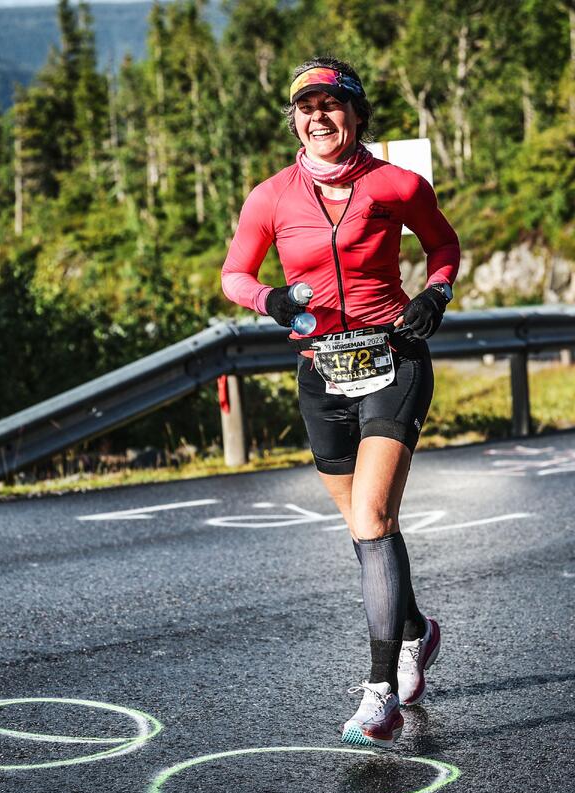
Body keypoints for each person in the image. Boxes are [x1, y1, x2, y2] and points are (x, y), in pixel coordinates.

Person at [221, 57, 460, 748]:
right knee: (365, 530)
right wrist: (268, 298)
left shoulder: (396, 183)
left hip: (394, 357)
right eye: (306, 107)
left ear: (355, 115)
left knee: (373, 515)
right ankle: (416, 630)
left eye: (332, 104)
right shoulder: (270, 196)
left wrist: (434, 292)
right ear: (295, 120)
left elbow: (441, 242)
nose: (318, 117)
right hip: (320, 369)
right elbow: (236, 273)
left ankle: (380, 690)